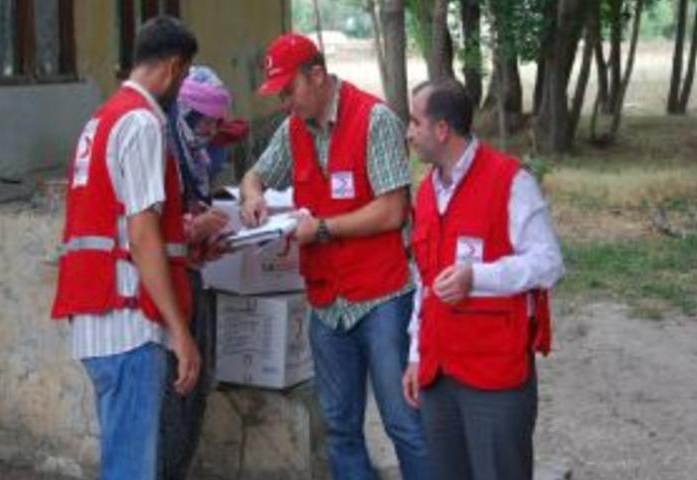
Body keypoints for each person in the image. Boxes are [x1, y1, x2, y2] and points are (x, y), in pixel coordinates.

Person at [239, 33, 431, 480]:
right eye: (279, 94)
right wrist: (252, 198)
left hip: (380, 296)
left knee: (404, 424)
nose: (285, 103)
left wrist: (323, 228)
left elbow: (392, 210)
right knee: (341, 429)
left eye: (290, 91)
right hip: (327, 304)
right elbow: (255, 175)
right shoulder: (292, 131)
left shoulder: (374, 120)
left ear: (318, 75)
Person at [49, 16, 201, 480]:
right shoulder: (141, 124)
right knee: (132, 469)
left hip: (99, 318)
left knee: (124, 460)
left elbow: (118, 224)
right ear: (174, 67)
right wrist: (181, 331)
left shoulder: (104, 118)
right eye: (187, 74)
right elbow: (140, 234)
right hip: (129, 323)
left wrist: (188, 243)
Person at [402, 78, 565, 480]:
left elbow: (548, 263)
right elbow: (423, 280)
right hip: (438, 374)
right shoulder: (426, 193)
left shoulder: (511, 182)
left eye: (414, 122)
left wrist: (477, 277)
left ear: (442, 130)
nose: (408, 132)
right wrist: (415, 355)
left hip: (494, 374)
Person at [158, 65, 249, 479]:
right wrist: (192, 228)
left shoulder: (196, 151)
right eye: (207, 121)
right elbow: (144, 229)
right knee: (170, 395)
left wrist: (204, 239)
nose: (212, 131)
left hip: (190, 277)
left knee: (196, 388)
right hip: (161, 293)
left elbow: (188, 211)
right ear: (188, 113)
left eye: (217, 123)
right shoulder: (162, 143)